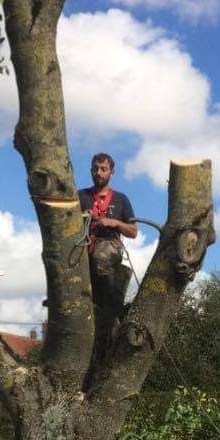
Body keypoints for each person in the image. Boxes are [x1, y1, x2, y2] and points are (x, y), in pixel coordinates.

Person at [78, 153, 137, 363]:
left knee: (102, 259)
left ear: (112, 172)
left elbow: (133, 231)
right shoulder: (81, 196)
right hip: (83, 245)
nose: (99, 173)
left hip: (108, 246)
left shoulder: (121, 199)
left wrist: (114, 223)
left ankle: (110, 307)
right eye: (95, 169)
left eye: (103, 169)